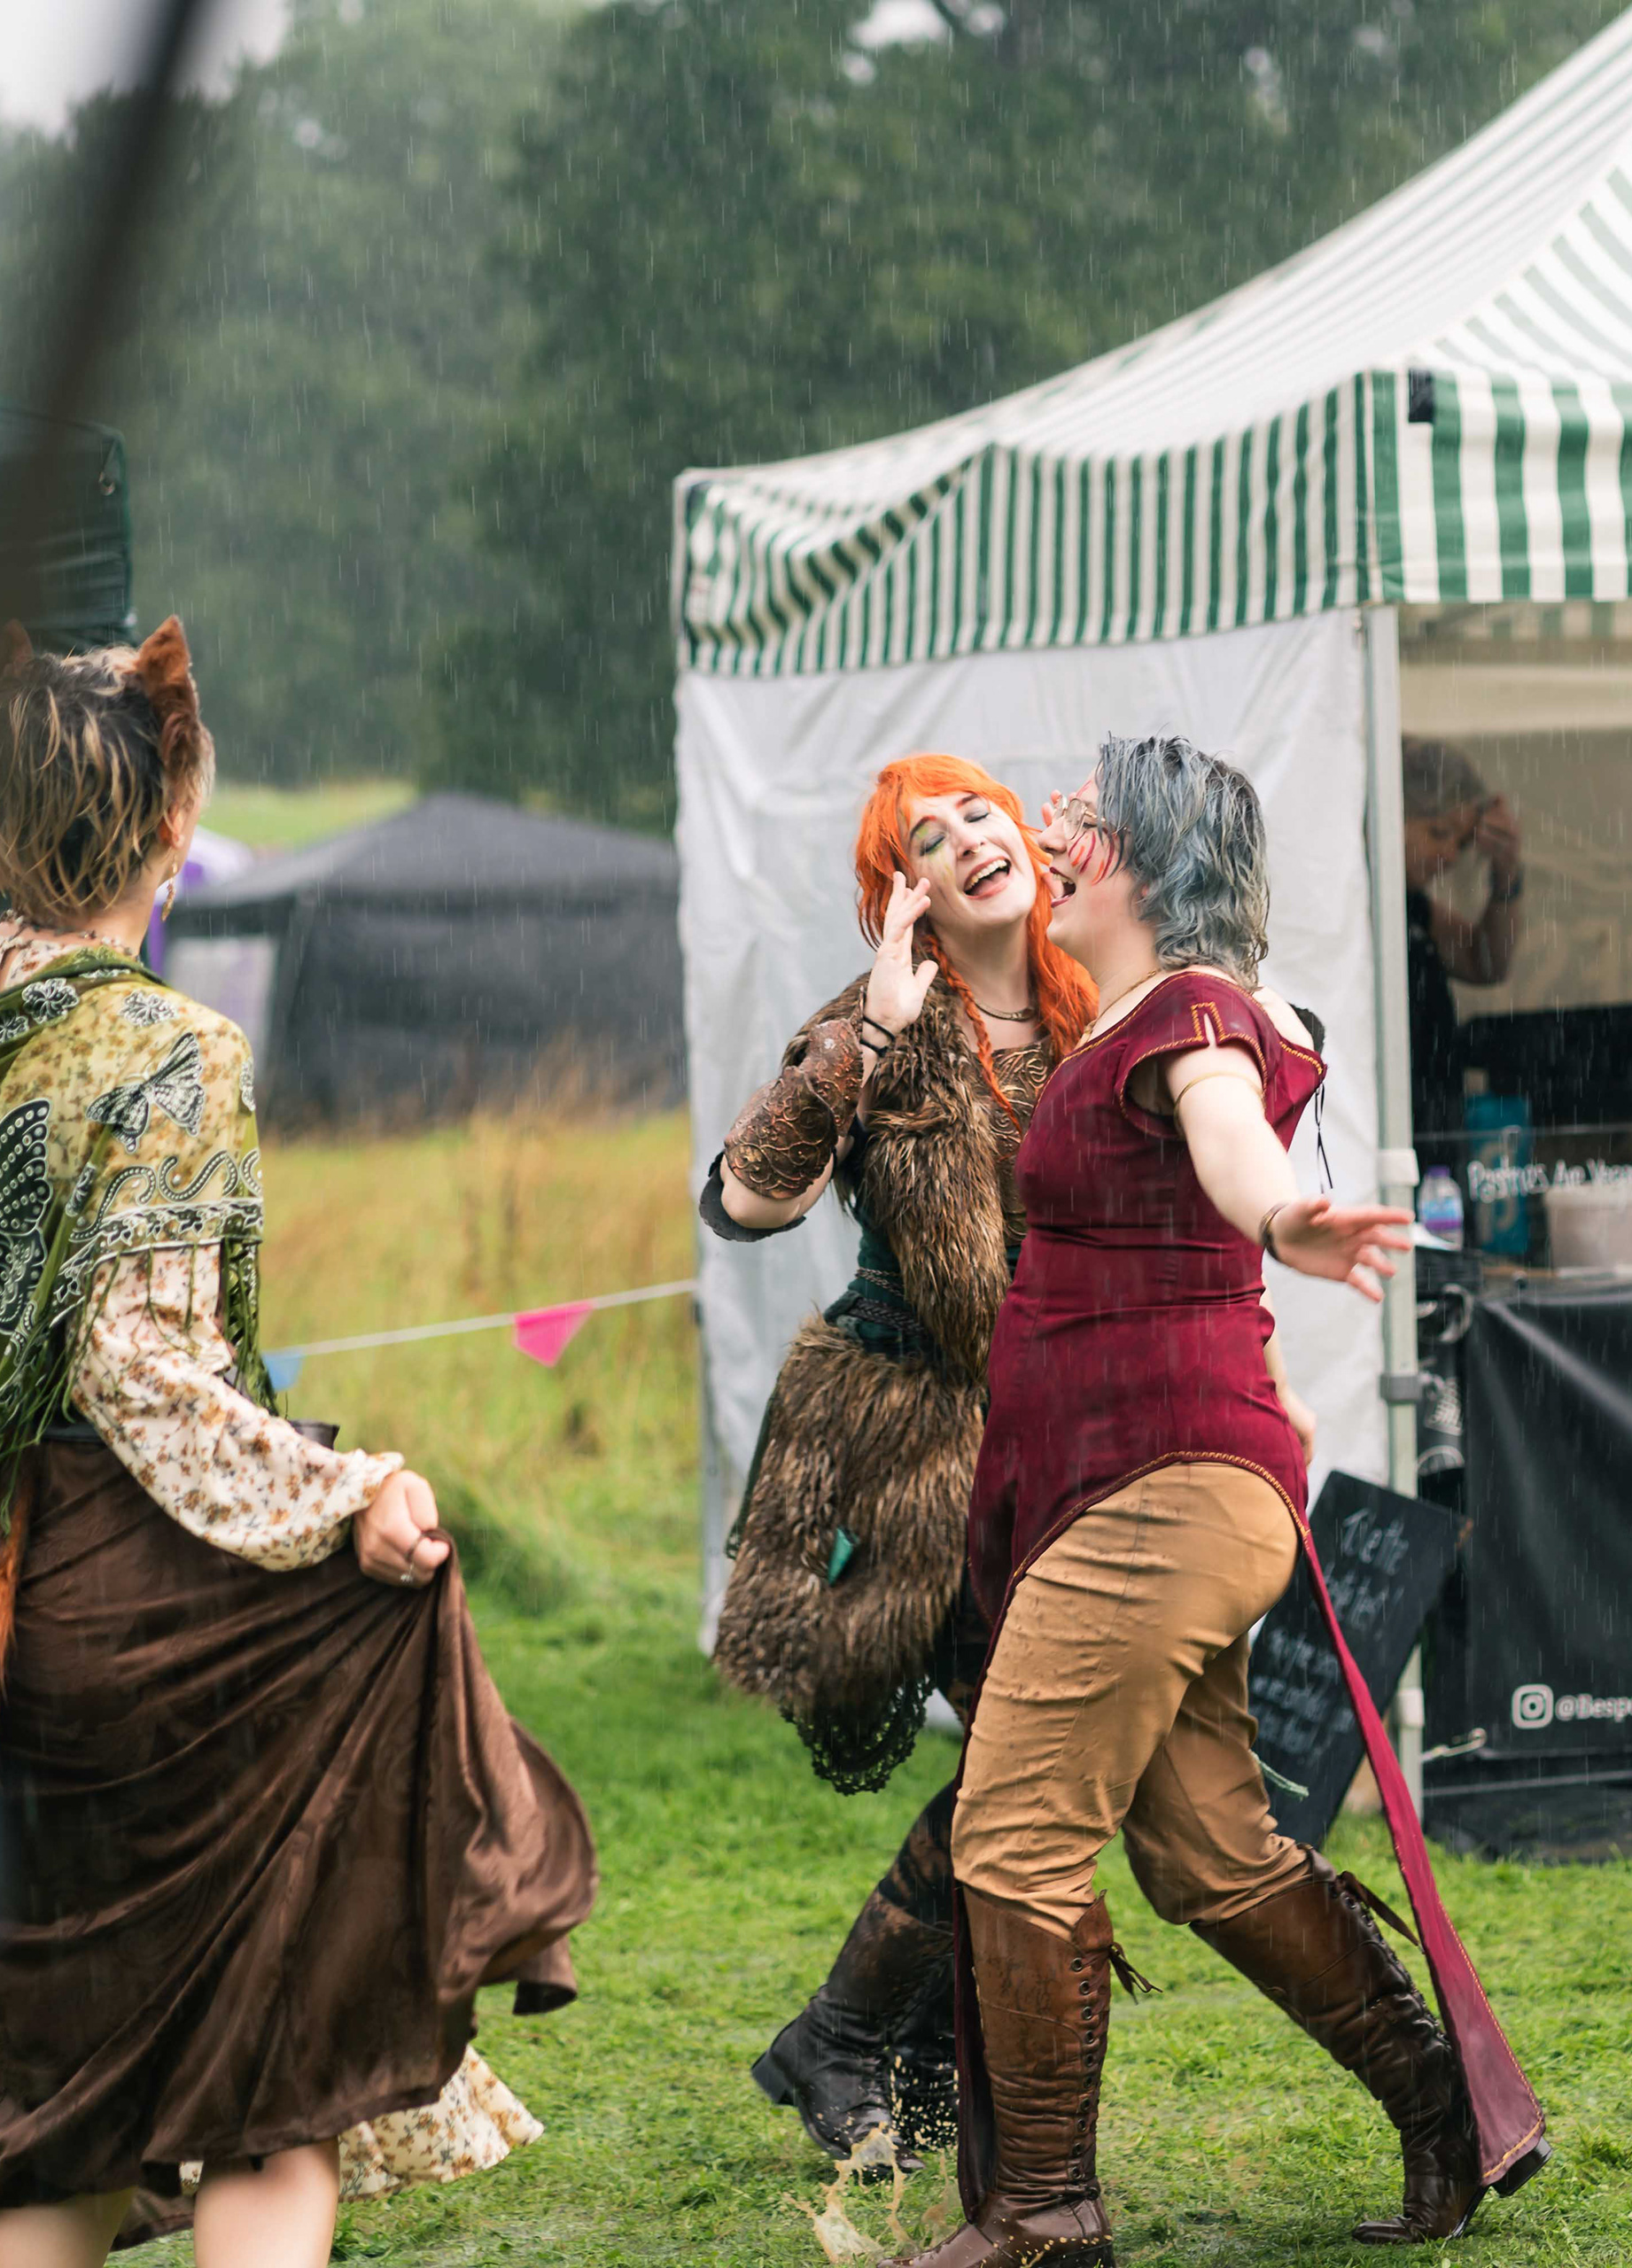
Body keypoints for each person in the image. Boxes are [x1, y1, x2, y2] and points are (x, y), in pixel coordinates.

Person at [0, 621, 596, 2268]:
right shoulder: (172, 1048)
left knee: (60, 2135)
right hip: (166, 1620)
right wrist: (348, 1496)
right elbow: (141, 1366)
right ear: (169, 826)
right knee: (274, 2099)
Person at [913, 734, 1516, 2268]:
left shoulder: (1195, 1015)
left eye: (1083, 823)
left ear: (1141, 859)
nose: (1056, 839)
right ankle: (1444, 2107)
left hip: (1160, 1497)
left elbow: (1232, 1136)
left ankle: (1045, 2213)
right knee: (1209, 1853)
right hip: (1155, 1487)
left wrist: (1288, 1216)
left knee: (1014, 1835)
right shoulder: (1124, 1012)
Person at [701, 753, 1096, 2170]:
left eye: (981, 811)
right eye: (930, 837)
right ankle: (859, 2037)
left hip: (1067, 1434)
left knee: (1034, 1763)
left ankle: (906, 2058)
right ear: (905, 893)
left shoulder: (1094, 1002)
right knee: (1028, 1758)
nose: (971, 838)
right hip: (914, 1446)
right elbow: (743, 1202)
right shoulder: (875, 1024)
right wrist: (865, 1037)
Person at [1400, 739, 1523, 1135]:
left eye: (1462, 843)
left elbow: (1486, 962)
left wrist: (1506, 875)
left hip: (1437, 1122)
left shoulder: (1412, 907)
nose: (1452, 855)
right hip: (1404, 1124)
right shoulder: (1357, 911)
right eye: (1439, 832)